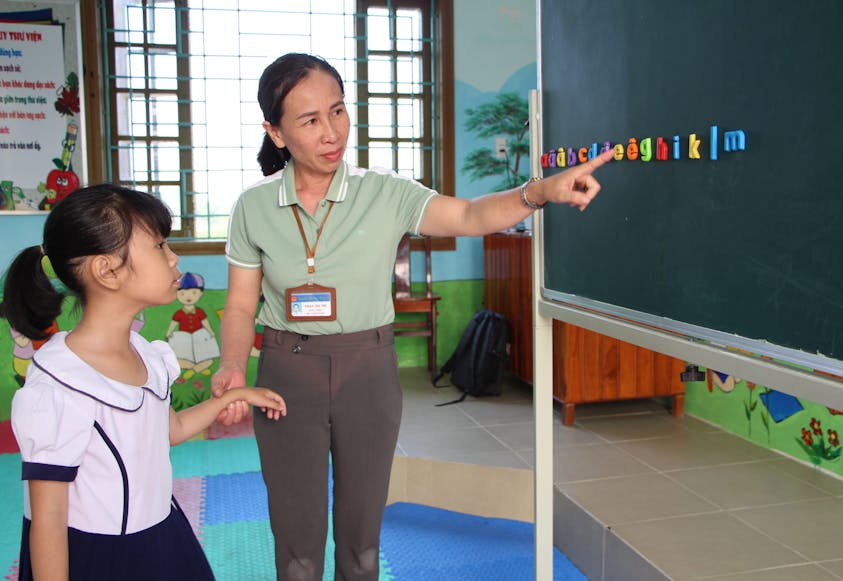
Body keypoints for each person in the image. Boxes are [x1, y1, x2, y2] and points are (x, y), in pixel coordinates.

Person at [211, 52, 614, 581]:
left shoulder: (385, 191)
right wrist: (232, 365)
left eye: (338, 111)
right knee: (297, 550)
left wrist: (538, 192)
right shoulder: (254, 207)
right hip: (285, 375)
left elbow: (468, 215)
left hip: (367, 371)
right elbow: (241, 304)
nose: (332, 132)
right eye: (310, 121)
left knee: (362, 546)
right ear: (276, 132)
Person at [0, 184, 288, 581]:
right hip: (100, 557)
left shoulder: (147, 354)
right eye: (160, 246)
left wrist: (231, 397)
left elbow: (170, 429)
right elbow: (48, 522)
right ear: (107, 271)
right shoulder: (59, 386)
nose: (174, 259)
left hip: (162, 535)